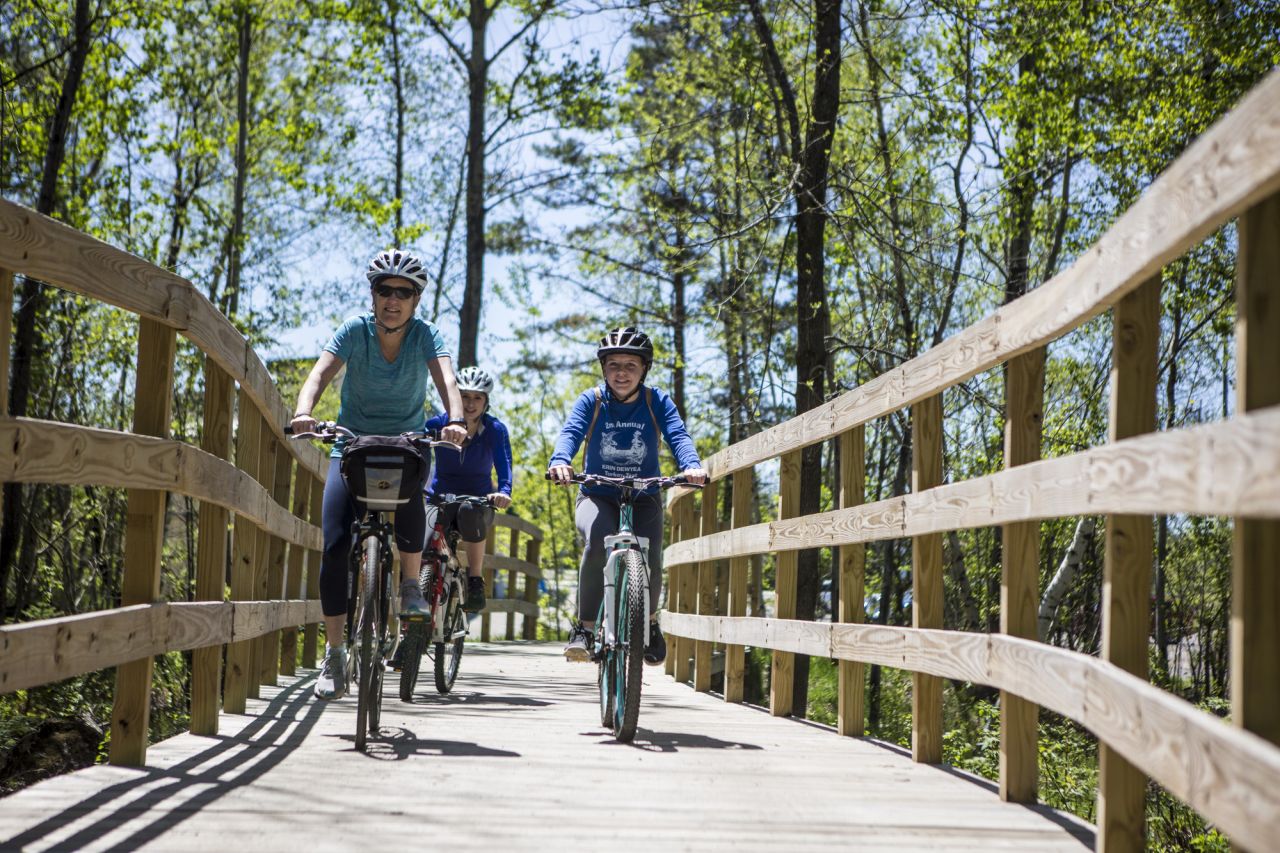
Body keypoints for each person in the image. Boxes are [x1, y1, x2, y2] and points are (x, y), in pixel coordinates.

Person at [291, 249, 468, 701]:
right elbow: (319, 375)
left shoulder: (425, 335)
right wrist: (304, 411)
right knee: (333, 543)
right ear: (373, 294)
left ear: (415, 300)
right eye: (385, 290)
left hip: (405, 443)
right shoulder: (355, 331)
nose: (393, 299)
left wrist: (456, 418)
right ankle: (334, 656)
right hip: (351, 443)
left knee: (414, 489)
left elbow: (447, 379)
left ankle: (409, 586)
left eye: (404, 292)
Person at [546, 326, 707, 665]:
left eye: (630, 365)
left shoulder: (655, 400)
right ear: (604, 368)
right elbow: (571, 433)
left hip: (644, 493)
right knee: (597, 540)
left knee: (652, 557)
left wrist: (691, 465)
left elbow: (677, 434)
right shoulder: (592, 400)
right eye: (614, 365)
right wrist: (561, 461)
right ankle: (585, 629)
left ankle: (647, 623)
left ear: (643, 369)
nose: (621, 373)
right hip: (597, 493)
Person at [422, 365, 514, 613]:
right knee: (420, 538)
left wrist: (504, 492)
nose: (470, 403)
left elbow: (504, 468)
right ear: (455, 397)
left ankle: (474, 579)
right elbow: (416, 452)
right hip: (439, 497)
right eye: (464, 396)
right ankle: (419, 592)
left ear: (486, 402)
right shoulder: (437, 424)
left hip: (477, 502)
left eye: (477, 397)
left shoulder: (495, 430)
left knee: (468, 510)